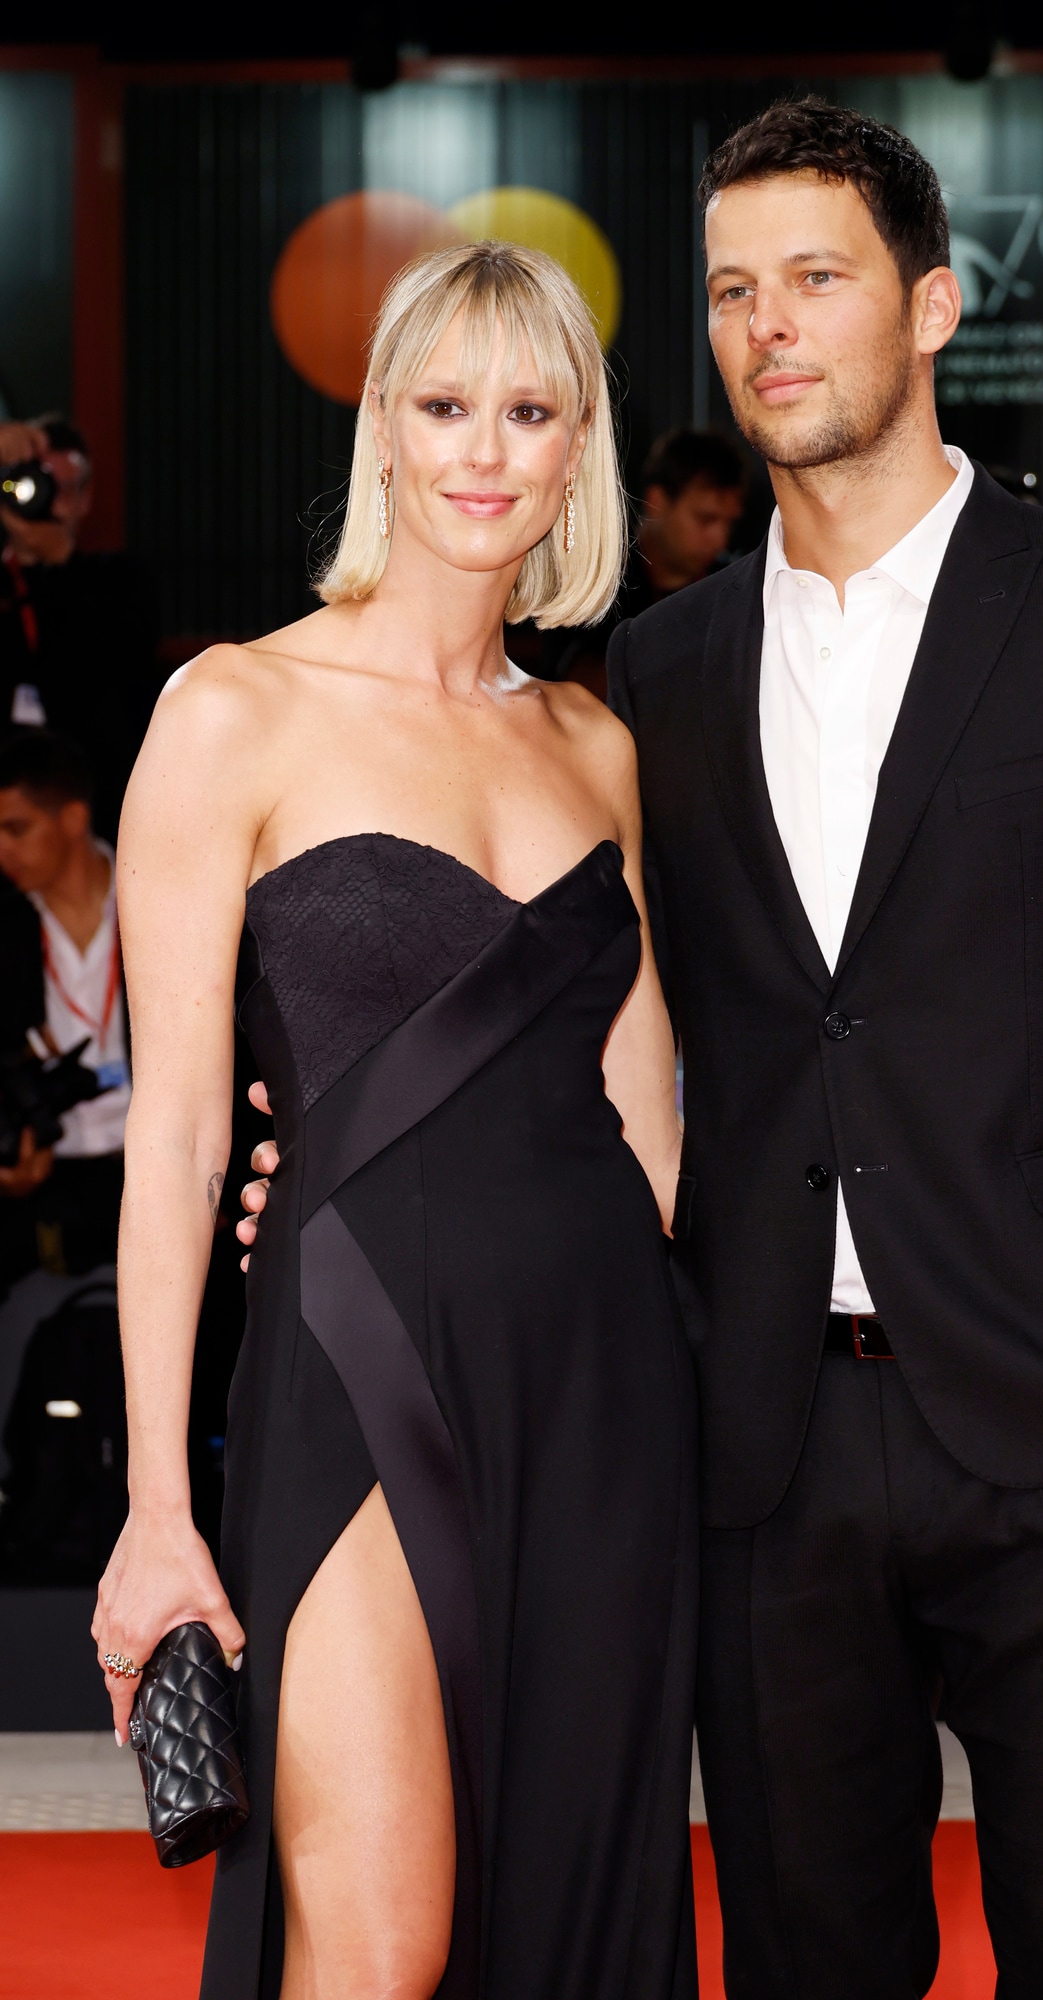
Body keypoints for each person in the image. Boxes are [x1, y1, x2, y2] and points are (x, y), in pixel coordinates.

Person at [602, 99, 1043, 1998]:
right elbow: (619, 1031)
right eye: (730, 290)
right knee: (803, 1964)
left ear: (931, 304)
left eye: (812, 277)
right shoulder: (659, 670)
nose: (765, 324)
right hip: (766, 1439)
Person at [93, 242, 697, 2000]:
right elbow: (179, 1138)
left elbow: (647, 1123)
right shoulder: (232, 709)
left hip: (599, 1382)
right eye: (444, 405)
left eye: (529, 410)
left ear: (578, 451)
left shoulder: (595, 745)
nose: (483, 452)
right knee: (375, 1947)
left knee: (570, 1925)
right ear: (380, 427)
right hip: (353, 1364)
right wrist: (153, 1504)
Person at [0, 729, 129, 1290]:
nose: (1, 849)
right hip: (46, 1186)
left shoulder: (162, 896)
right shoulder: (7, 928)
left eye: (15, 829)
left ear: (74, 818)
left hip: (164, 1167)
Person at [0, 415, 159, 837]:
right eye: (36, 483)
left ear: (85, 498)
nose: (48, 501)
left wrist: (59, 562)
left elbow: (104, 682)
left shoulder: (119, 580)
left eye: (64, 488)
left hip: (96, 807)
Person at [546, 426, 746, 696]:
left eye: (728, 524)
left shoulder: (732, 590)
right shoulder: (595, 583)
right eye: (705, 519)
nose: (720, 541)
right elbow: (571, 685)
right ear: (656, 501)